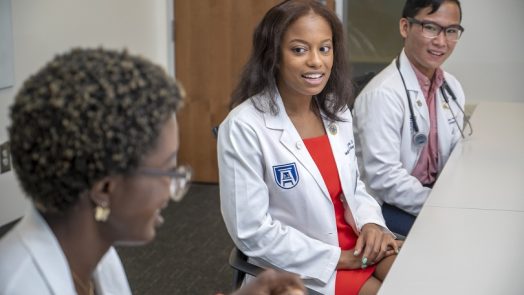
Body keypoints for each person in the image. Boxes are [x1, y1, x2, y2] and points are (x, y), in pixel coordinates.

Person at [0, 48, 306, 295]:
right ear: (105, 189)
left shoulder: (89, 249)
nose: (175, 191)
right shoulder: (19, 284)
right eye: (167, 172)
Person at [218, 1, 401, 294]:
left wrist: (371, 225)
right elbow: (251, 231)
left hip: (357, 243)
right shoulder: (244, 126)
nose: (316, 61)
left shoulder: (336, 111)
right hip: (306, 264)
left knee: (419, 276)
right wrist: (338, 259)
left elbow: (354, 188)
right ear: (273, 56)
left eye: (324, 48)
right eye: (299, 49)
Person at [352, 0, 468, 236]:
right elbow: (385, 180)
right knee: (455, 232)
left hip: (431, 193)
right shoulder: (382, 94)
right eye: (430, 28)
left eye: (451, 31)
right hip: (386, 205)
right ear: (405, 27)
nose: (441, 41)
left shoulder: (451, 87)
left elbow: (456, 154)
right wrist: (441, 203)